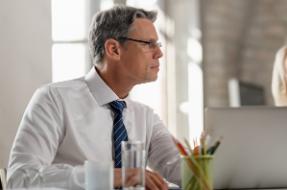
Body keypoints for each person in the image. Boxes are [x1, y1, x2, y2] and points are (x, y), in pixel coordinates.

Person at [7, 6, 180, 189]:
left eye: (158, 45)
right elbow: (19, 179)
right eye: (148, 44)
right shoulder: (54, 100)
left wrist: (202, 162)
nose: (159, 53)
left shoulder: (145, 117)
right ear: (113, 49)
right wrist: (109, 177)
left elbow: (179, 170)